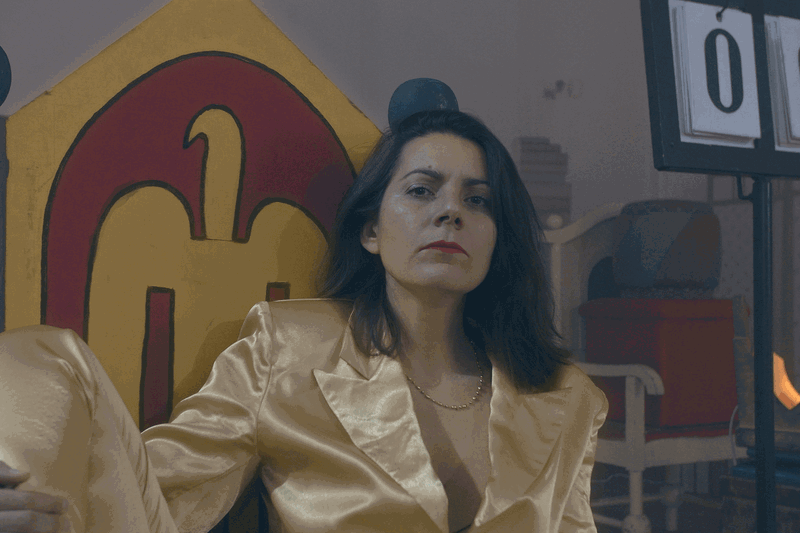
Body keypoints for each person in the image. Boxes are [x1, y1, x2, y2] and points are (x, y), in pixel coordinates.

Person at [0, 106, 608, 532]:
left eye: (478, 200)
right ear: (371, 231)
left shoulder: (567, 398)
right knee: (42, 357)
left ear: (498, 238)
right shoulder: (285, 348)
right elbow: (153, 493)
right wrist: (41, 507)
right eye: (422, 190)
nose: (451, 211)